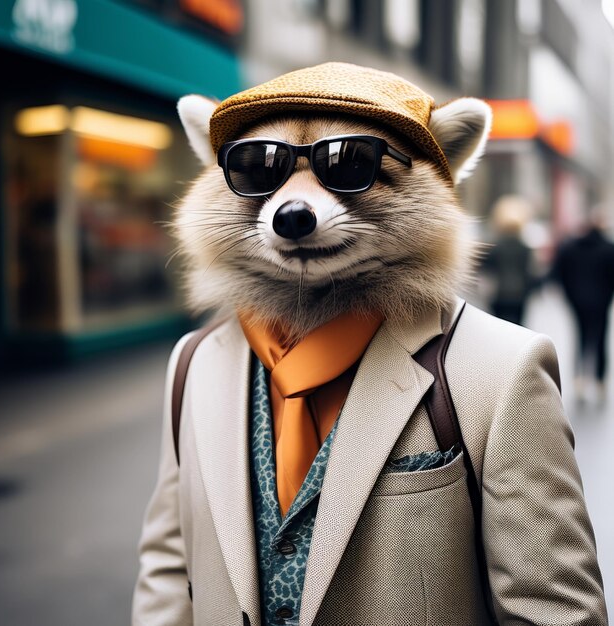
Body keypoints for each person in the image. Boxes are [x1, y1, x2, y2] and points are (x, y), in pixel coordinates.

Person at [133, 63, 607, 625]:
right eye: (261, 168)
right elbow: (170, 564)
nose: (292, 210)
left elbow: (552, 610)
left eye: (350, 164)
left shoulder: (501, 372)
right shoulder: (193, 365)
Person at [551, 206, 614, 403]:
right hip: (601, 301)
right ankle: (599, 380)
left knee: (579, 338)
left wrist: (569, 295)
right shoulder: (608, 248)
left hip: (577, 301)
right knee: (600, 339)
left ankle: (578, 380)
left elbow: (558, 273)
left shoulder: (569, 247)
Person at [482, 195, 535, 326]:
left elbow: (486, 270)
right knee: (518, 329)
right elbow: (530, 272)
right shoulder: (525, 248)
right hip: (519, 294)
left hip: (499, 295)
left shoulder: (495, 248)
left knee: (500, 328)